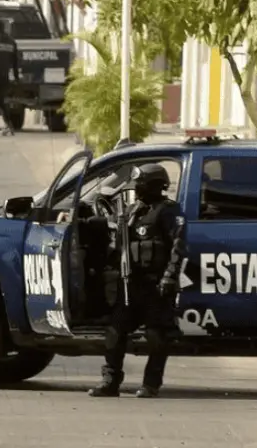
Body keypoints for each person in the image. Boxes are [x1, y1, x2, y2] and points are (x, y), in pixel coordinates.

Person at [90, 163, 187, 399]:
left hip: (156, 286)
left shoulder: (168, 211)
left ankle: (150, 384)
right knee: (114, 333)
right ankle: (110, 382)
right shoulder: (133, 211)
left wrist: (169, 278)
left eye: (141, 186)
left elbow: (178, 247)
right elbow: (120, 247)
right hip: (130, 285)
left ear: (154, 186)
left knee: (156, 337)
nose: (138, 191)